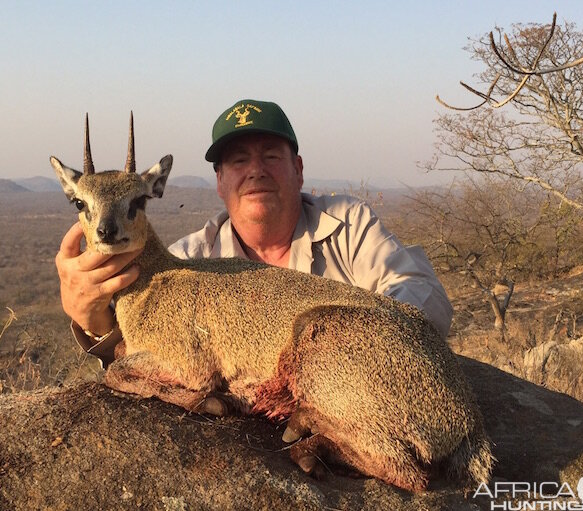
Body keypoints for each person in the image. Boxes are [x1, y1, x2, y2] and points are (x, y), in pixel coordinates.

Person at [55, 99, 453, 366]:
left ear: (298, 169)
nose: (256, 170)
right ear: (220, 182)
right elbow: (149, 349)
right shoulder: (187, 260)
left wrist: (358, 343)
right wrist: (95, 320)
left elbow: (422, 292)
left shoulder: (349, 225)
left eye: (271, 156)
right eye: (239, 160)